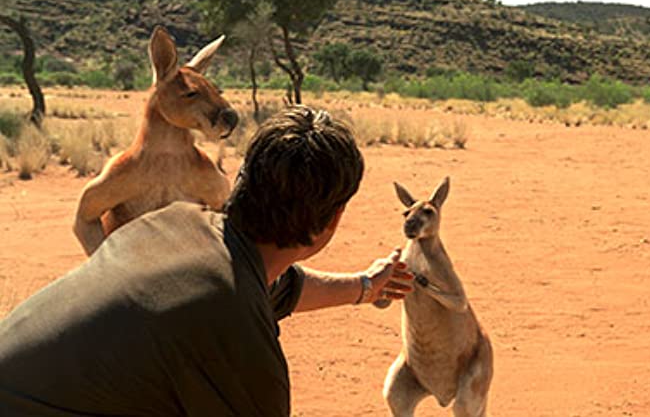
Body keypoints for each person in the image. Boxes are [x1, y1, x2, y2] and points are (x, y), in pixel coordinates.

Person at [0, 106, 414, 416]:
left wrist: (366, 286)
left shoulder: (176, 225)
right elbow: (244, 299)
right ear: (331, 221)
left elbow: (277, 287)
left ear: (241, 179)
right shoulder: (236, 332)